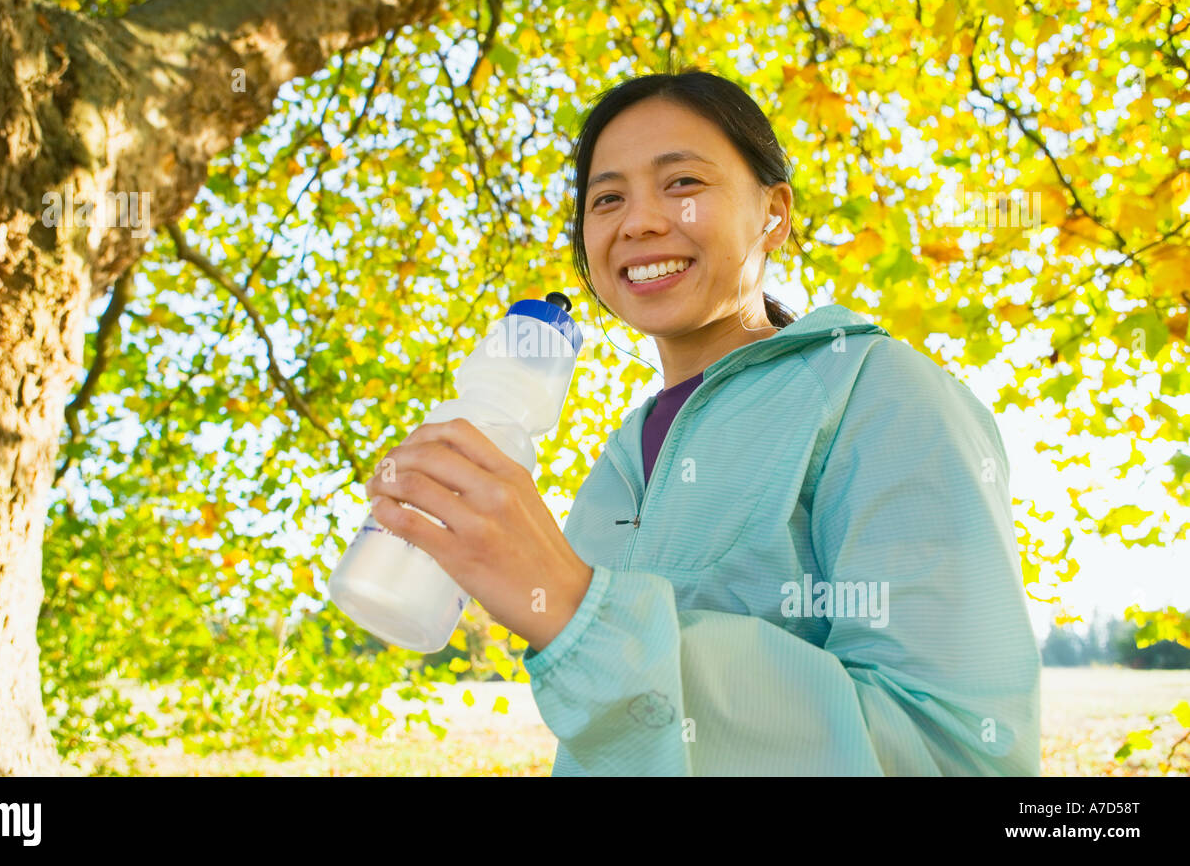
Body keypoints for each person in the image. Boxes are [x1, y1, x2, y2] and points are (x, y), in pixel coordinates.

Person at [364, 67, 1041, 776]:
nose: (640, 221)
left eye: (683, 183)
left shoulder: (879, 391)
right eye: (607, 198)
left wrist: (579, 611)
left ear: (773, 214)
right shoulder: (619, 464)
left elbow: (954, 748)